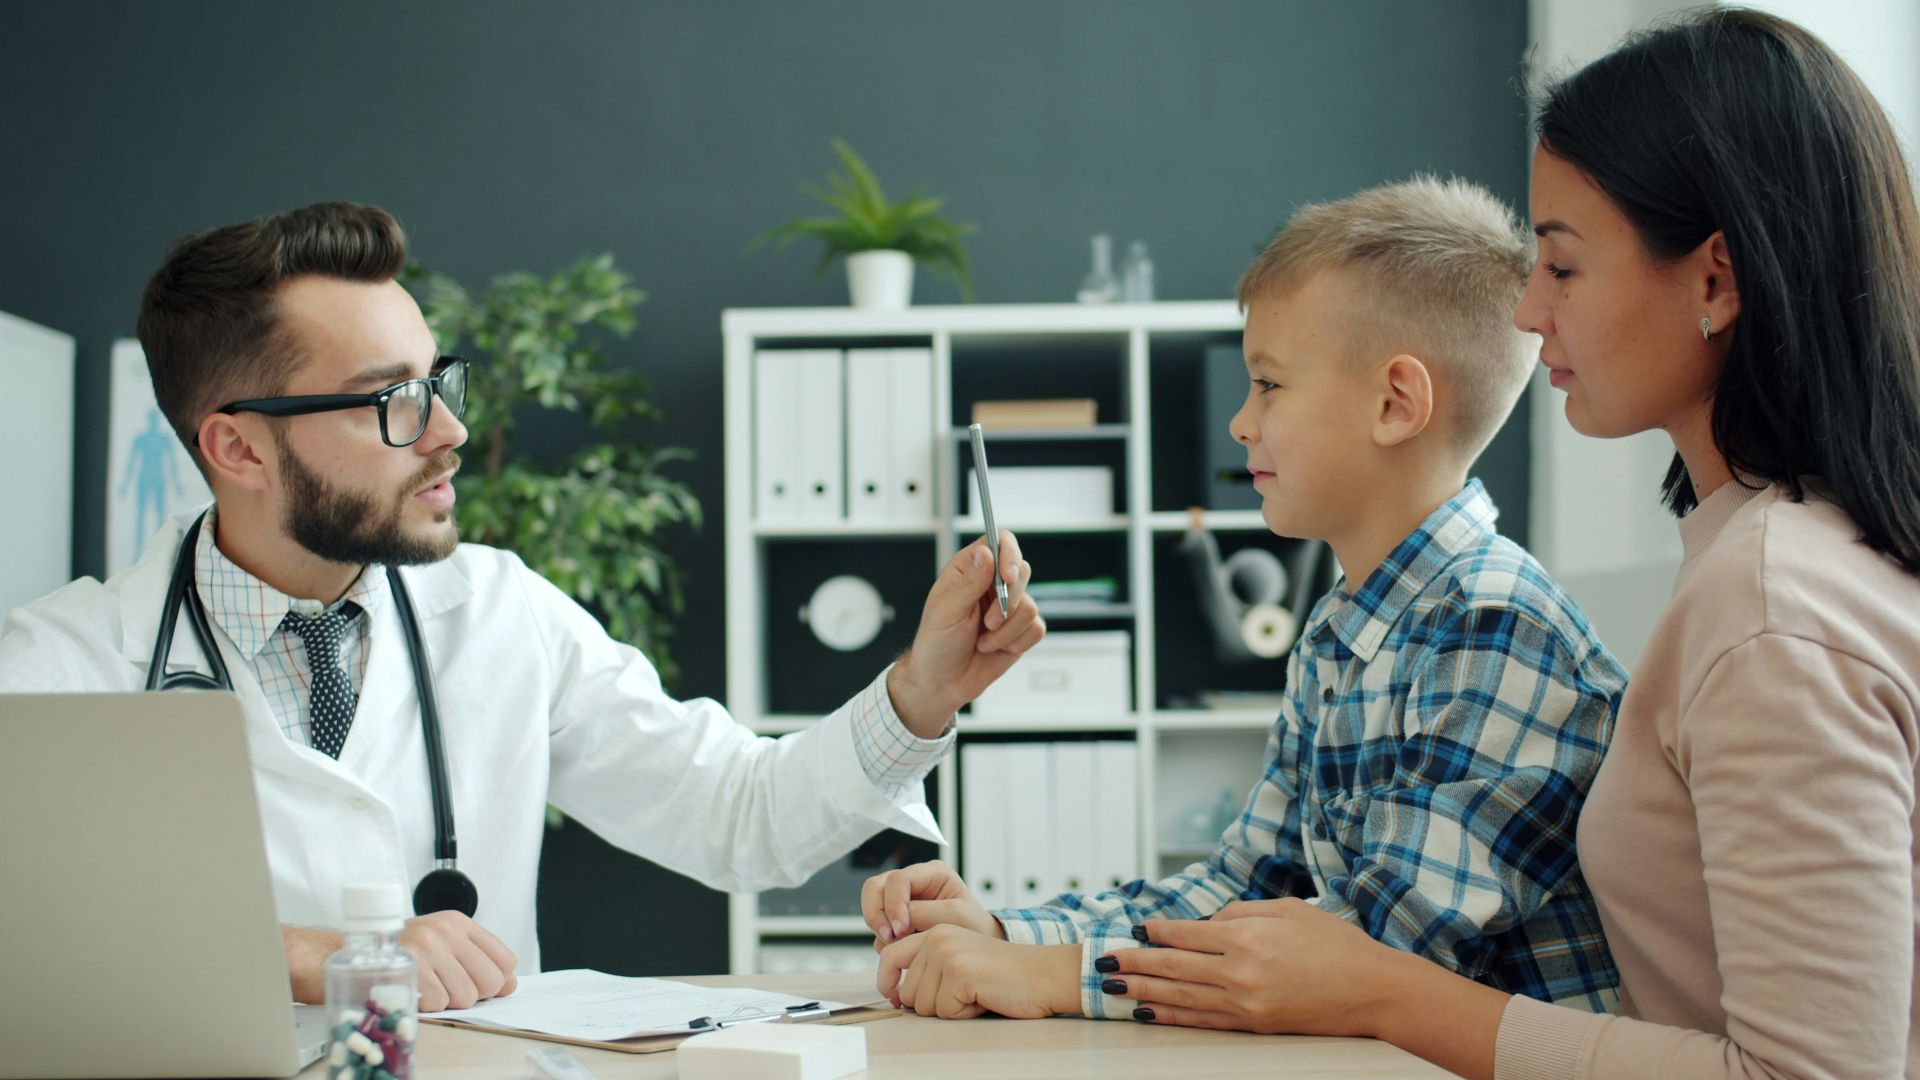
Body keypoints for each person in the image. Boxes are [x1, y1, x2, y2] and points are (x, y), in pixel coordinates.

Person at [1087, 11, 1920, 1079]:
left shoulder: (1772, 610)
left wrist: (1383, 992)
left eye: (1562, 267)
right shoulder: (1764, 568)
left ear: (1715, 280)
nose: (1529, 313)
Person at [0, 202, 1046, 1011]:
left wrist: (921, 692)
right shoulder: (62, 668)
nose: (448, 432)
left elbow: (742, 817)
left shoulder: (500, 612)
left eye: (439, 382)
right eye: (391, 401)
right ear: (237, 447)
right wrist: (307, 955)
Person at [859, 177, 1626, 1022]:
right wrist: (1009, 934)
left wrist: (1050, 978)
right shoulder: (1342, 630)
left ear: (1394, 404)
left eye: (1267, 384)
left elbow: (1370, 957)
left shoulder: (1496, 630)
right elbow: (1248, 886)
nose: (1240, 423)